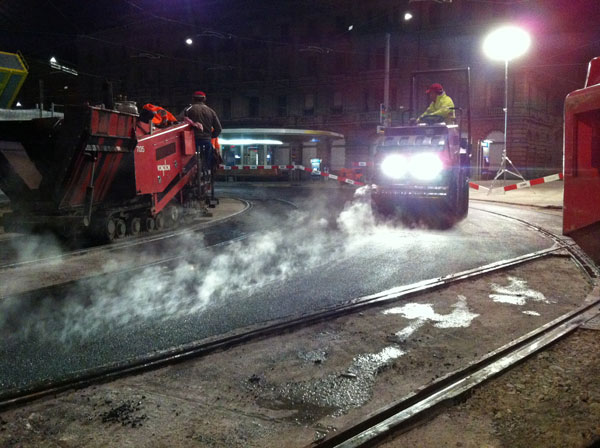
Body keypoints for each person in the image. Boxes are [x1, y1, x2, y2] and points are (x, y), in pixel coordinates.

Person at [181, 91, 222, 170]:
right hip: (206, 140)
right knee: (209, 158)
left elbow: (178, 121)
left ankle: (188, 170)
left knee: (189, 159)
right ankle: (207, 170)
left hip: (192, 141)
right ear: (204, 99)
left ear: (193, 99)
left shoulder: (188, 109)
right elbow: (218, 129)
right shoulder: (211, 111)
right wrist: (210, 136)